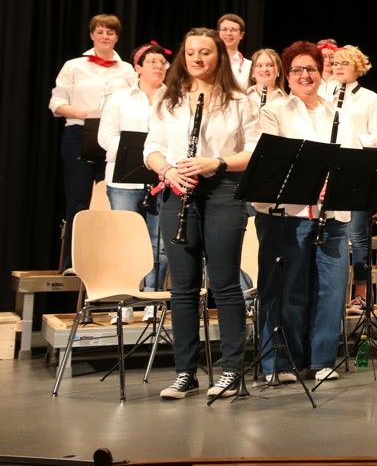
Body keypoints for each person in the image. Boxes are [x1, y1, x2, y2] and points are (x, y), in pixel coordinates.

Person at [145, 27, 259, 400]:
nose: (197, 58)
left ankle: (230, 371)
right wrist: (168, 171)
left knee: (224, 284)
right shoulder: (169, 97)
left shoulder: (240, 100)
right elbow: (152, 148)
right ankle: (185, 372)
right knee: (182, 288)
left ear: (219, 56)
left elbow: (254, 151)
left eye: (205, 52)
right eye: (191, 52)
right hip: (179, 189)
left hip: (223, 189)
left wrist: (217, 162)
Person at [251, 41, 353, 383]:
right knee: (287, 290)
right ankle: (280, 362)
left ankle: (322, 360)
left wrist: (335, 181)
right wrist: (310, 180)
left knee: (331, 290)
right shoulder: (274, 111)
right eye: (297, 70)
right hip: (288, 214)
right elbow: (271, 161)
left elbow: (351, 158)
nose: (305, 75)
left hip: (332, 214)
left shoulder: (336, 113)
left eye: (311, 69)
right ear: (287, 76)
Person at [49, 13, 137, 269]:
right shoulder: (74, 65)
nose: (105, 37)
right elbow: (56, 102)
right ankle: (74, 261)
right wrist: (85, 114)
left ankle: (110, 262)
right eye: (100, 32)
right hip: (81, 132)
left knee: (113, 197)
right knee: (78, 199)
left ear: (117, 37)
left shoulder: (127, 69)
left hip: (113, 137)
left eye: (110, 33)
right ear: (92, 35)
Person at [97, 41, 169, 320]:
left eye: (162, 63)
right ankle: (125, 303)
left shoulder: (172, 97)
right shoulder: (120, 97)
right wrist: (143, 154)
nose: (158, 67)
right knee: (125, 241)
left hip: (162, 178)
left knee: (159, 243)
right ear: (138, 67)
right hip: (125, 181)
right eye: (151, 62)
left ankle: (153, 301)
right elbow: (106, 137)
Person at [327, 45, 377, 316]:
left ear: (357, 67)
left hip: (355, 172)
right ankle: (331, 294)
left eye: (345, 63)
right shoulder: (323, 94)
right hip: (327, 172)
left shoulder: (370, 98)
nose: (338, 67)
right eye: (336, 63)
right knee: (328, 232)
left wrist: (352, 143)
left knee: (358, 237)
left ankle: (361, 295)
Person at [216, 14, 251, 91]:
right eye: (224, 29)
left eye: (233, 30)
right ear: (218, 33)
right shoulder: (210, 62)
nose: (228, 33)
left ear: (241, 35)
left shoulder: (250, 66)